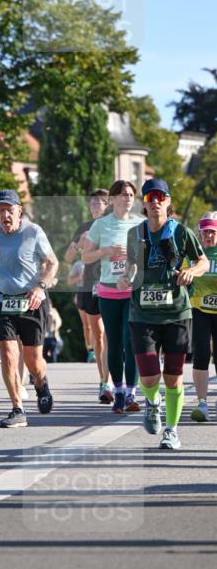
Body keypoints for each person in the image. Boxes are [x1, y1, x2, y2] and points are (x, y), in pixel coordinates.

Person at [118, 178, 208, 450]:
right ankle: (152, 402)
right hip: (142, 313)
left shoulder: (180, 232)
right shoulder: (135, 233)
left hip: (176, 313)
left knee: (173, 376)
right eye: (149, 197)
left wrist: (192, 271)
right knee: (148, 377)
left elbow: (202, 260)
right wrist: (125, 278)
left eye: (160, 196)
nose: (155, 201)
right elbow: (130, 267)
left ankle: (171, 430)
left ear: (168, 201)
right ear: (144, 204)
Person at [0, 190, 58, 428]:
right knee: (8, 354)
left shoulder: (33, 232)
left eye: (10, 210)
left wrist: (41, 287)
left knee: (33, 360)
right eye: (1, 210)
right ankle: (17, 408)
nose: (6, 215)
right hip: (2, 301)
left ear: (19, 211)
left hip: (32, 301)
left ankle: (40, 382)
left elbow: (52, 262)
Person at [81, 180, 142, 413]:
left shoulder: (140, 224)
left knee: (131, 341)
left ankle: (130, 393)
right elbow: (86, 257)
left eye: (131, 195)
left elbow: (148, 256)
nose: (127, 198)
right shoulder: (100, 225)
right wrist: (107, 251)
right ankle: (117, 391)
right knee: (114, 343)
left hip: (132, 291)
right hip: (107, 290)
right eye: (123, 194)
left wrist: (133, 256)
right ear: (114, 199)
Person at [65, 189, 112, 402]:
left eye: (97, 203)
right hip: (90, 286)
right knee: (98, 335)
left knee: (111, 334)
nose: (93, 206)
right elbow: (67, 257)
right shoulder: (84, 228)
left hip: (111, 283)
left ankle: (112, 380)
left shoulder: (113, 224)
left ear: (106, 205)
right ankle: (104, 381)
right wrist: (78, 242)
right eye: (91, 203)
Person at [189, 212, 217, 421]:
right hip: (199, 309)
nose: (208, 235)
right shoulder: (194, 253)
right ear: (199, 233)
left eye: (213, 231)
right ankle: (202, 404)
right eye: (205, 231)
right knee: (200, 354)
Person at [43, 298, 63, 363]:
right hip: (44, 337)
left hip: (53, 337)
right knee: (44, 354)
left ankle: (53, 365)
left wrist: (54, 327)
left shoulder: (54, 311)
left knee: (53, 353)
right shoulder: (42, 311)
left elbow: (59, 322)